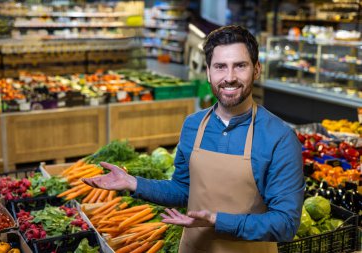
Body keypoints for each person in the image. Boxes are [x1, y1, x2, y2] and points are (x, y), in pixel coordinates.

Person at [83, 25, 305, 253]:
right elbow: (183, 190)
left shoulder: (279, 137)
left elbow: (286, 224)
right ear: (208, 72)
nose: (229, 77)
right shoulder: (193, 125)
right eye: (220, 67)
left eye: (240, 66)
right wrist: (134, 183)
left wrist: (218, 221)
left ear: (256, 70)